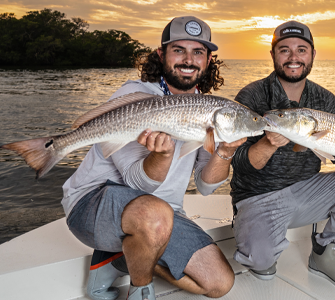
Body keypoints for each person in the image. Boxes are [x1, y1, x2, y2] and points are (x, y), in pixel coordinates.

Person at [62, 16, 239, 300]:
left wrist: (225, 151)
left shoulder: (209, 110)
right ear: (162, 54)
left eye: (198, 52)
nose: (188, 60)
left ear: (208, 60)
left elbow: (206, 186)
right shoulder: (136, 96)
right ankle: (140, 288)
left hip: (163, 216)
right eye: (179, 50)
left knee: (219, 283)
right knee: (156, 215)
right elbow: (137, 184)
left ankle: (119, 259)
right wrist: (164, 154)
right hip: (92, 203)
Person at [230, 21, 335, 292]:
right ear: (273, 54)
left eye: (301, 49)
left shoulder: (326, 100)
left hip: (306, 192)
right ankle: (254, 233)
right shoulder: (252, 95)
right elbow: (238, 164)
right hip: (259, 197)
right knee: (260, 263)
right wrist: (267, 144)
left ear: (312, 55)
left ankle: (323, 253)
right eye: (284, 50)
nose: (293, 57)